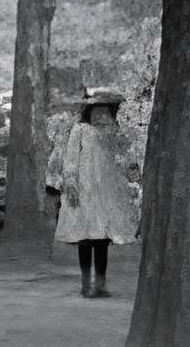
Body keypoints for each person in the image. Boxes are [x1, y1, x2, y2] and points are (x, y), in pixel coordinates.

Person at [47, 87, 138, 297]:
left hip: (105, 192)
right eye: (96, 112)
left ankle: (101, 284)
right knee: (86, 239)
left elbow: (121, 158)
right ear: (88, 113)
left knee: (102, 240)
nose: (100, 116)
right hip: (84, 191)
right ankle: (86, 283)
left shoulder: (112, 133)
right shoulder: (80, 131)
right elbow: (71, 159)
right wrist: (70, 184)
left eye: (104, 112)